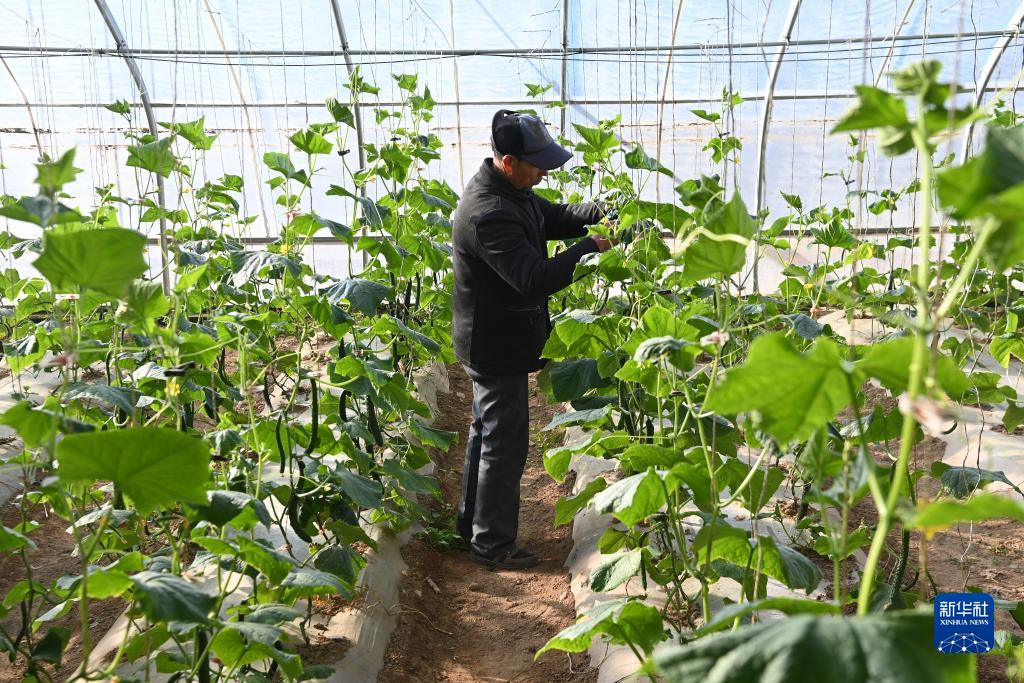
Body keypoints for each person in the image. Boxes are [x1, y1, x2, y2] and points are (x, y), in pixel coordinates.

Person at [451, 109, 613, 570]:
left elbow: (556, 217)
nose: (544, 172)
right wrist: (590, 248)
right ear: (509, 162)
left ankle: (472, 525)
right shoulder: (489, 213)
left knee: (487, 431)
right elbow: (533, 278)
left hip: (494, 336)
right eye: (537, 165)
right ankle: (492, 544)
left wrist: (604, 211)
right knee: (504, 443)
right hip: (494, 345)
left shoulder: (512, 190)